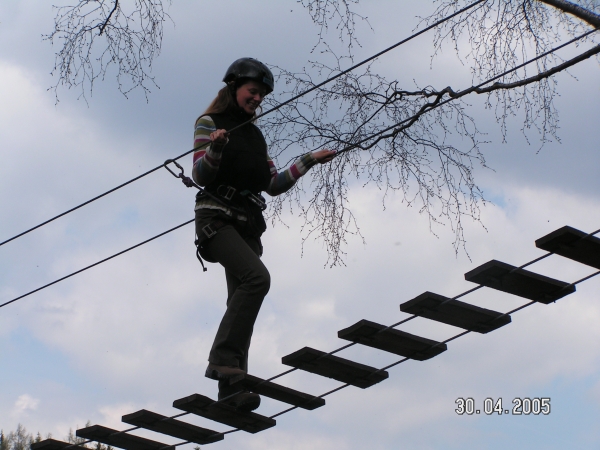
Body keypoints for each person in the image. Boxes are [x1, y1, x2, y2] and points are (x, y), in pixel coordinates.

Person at [192, 57, 335, 412]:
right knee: (257, 280)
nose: (257, 99)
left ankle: (231, 388)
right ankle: (222, 360)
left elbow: (272, 183)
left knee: (241, 303)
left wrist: (308, 161)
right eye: (253, 92)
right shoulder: (210, 123)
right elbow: (200, 174)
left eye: (262, 96)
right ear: (234, 88)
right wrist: (217, 147)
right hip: (217, 221)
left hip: (246, 225)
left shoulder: (256, 137)